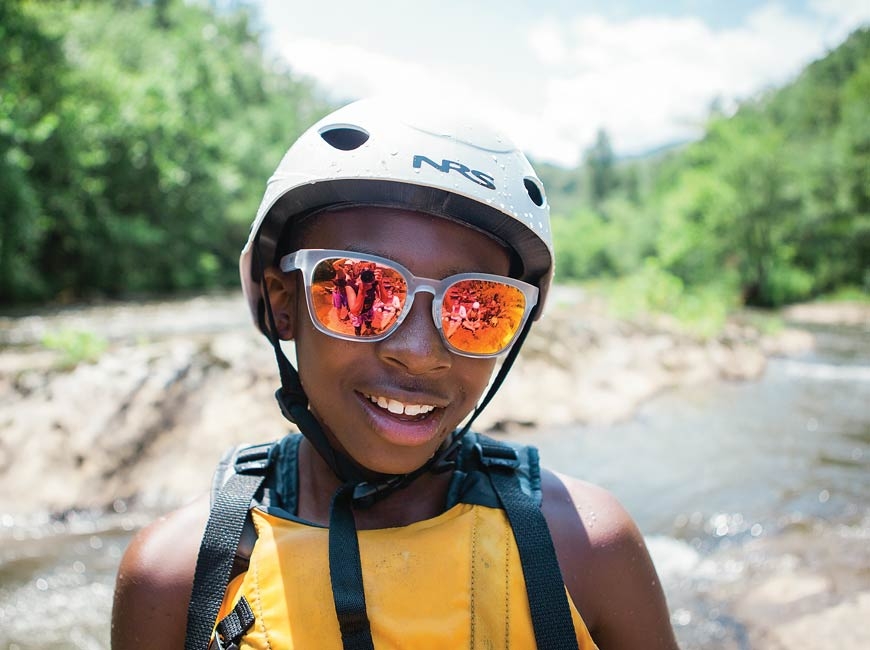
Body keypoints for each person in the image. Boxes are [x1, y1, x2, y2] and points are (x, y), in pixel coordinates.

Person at [111, 98, 679, 650]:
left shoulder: (585, 550)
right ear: (283, 302)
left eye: (478, 308)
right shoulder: (179, 577)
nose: (419, 352)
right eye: (362, 292)